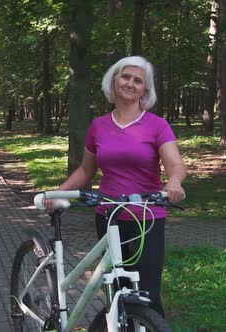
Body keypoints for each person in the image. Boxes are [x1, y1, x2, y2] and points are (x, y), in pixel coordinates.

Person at [45, 55, 187, 317]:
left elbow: (175, 165)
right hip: (109, 216)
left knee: (147, 296)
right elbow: (87, 169)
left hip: (148, 217)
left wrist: (174, 183)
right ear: (113, 80)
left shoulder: (157, 125)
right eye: (125, 77)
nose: (130, 83)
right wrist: (59, 192)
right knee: (117, 290)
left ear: (145, 89)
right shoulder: (99, 126)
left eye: (138, 80)